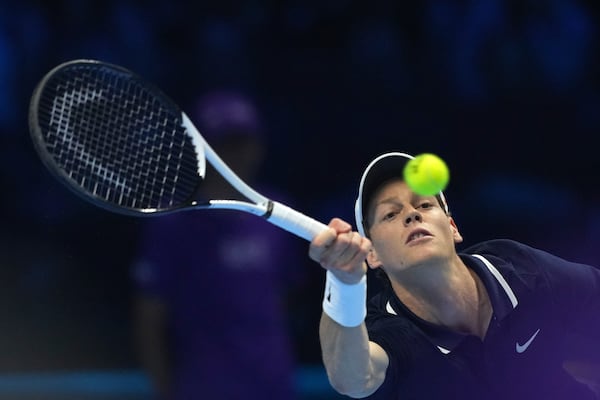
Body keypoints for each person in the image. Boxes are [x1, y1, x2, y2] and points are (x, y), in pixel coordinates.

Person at [309, 151, 600, 399]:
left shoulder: (516, 268)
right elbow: (353, 379)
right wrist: (343, 282)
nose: (412, 215)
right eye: (390, 214)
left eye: (423, 204)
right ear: (372, 255)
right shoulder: (388, 331)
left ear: (452, 227)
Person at [131, 91, 302, 400]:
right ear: (202, 150)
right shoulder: (172, 221)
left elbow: (281, 299)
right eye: (224, 143)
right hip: (204, 388)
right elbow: (150, 316)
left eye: (244, 142)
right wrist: (163, 389)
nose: (237, 154)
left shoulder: (279, 213)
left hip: (273, 386)